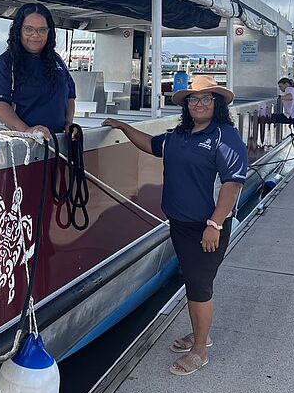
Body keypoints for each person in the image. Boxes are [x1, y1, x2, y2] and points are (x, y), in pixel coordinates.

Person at [102, 75, 248, 376]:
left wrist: (215, 225)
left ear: (217, 104)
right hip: (180, 224)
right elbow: (152, 145)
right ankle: (200, 335)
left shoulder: (224, 136)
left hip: (206, 227)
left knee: (199, 288)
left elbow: (231, 185)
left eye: (207, 99)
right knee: (193, 283)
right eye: (193, 99)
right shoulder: (180, 135)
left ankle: (199, 349)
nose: (199, 104)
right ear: (186, 105)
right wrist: (124, 127)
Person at [0, 2, 76, 141]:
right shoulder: (6, 63)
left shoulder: (57, 61)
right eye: (29, 29)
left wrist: (68, 124)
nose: (36, 35)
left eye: (42, 30)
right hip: (22, 140)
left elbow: (70, 94)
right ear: (19, 30)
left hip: (57, 140)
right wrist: (26, 130)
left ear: (49, 32)